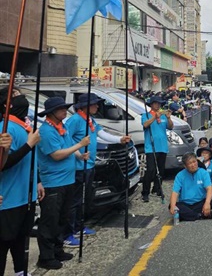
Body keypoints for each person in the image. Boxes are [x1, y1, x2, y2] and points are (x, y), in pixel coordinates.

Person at [64, 93, 130, 245]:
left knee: (83, 199)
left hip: (89, 165)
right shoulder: (74, 120)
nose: (97, 106)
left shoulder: (90, 120)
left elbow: (102, 134)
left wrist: (120, 139)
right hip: (78, 167)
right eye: (94, 104)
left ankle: (80, 226)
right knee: (75, 200)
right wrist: (78, 154)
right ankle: (70, 231)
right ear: (85, 106)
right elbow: (67, 141)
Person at [36, 97, 91, 270]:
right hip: (53, 182)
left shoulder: (63, 127)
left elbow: (69, 145)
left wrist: (79, 155)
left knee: (62, 218)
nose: (65, 111)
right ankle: (45, 256)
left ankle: (57, 249)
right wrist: (79, 146)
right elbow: (57, 155)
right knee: (49, 221)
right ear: (51, 112)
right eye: (61, 109)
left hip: (68, 179)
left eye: (65, 108)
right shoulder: (45, 131)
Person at [0, 90, 42, 276]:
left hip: (27, 196)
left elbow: (32, 162)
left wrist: (38, 182)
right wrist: (28, 145)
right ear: (6, 104)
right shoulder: (5, 128)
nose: (21, 97)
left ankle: (20, 272)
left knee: (21, 240)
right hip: (8, 199)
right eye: (16, 94)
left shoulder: (26, 126)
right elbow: (4, 164)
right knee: (3, 244)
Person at [141, 96, 173, 203]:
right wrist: (154, 117)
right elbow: (145, 125)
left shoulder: (163, 116)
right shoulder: (146, 115)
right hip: (151, 147)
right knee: (150, 170)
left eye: (159, 103)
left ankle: (157, 188)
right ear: (151, 104)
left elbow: (170, 127)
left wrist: (168, 117)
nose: (158, 105)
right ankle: (145, 192)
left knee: (161, 169)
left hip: (162, 146)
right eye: (156, 103)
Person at [169, 153, 212, 221]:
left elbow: (209, 189)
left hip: (199, 202)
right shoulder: (180, 175)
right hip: (185, 204)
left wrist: (207, 203)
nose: (193, 165)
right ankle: (198, 215)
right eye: (190, 163)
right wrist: (172, 206)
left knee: (211, 202)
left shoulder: (204, 173)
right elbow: (175, 192)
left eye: (194, 162)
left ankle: (186, 215)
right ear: (185, 166)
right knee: (171, 206)